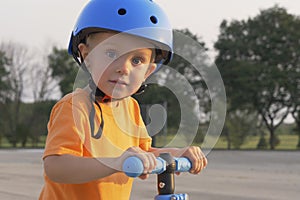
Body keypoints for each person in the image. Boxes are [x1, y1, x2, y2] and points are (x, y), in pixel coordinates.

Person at [39, 0, 207, 199]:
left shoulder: (131, 108)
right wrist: (116, 162)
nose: (124, 68)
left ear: (148, 72)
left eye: (137, 60)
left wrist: (177, 153)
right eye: (111, 53)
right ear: (87, 56)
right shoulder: (74, 107)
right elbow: (56, 167)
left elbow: (144, 153)